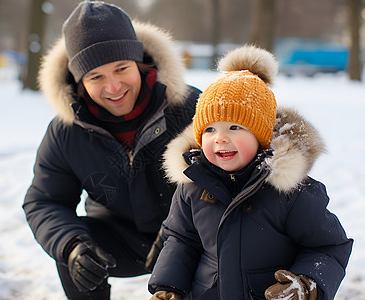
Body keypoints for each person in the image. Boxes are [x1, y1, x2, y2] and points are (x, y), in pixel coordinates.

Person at [22, 1, 200, 299]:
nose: (113, 87)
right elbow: (44, 200)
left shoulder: (190, 108)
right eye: (96, 77)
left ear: (140, 63)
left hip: (192, 239)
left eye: (121, 69)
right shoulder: (66, 131)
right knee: (74, 249)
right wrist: (71, 245)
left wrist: (183, 235)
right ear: (79, 80)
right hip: (122, 240)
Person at [148, 45, 353, 300]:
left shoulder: (290, 192)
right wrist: (168, 286)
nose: (220, 138)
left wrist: (307, 285)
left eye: (235, 127)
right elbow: (181, 240)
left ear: (261, 136)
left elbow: (327, 247)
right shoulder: (192, 186)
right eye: (210, 129)